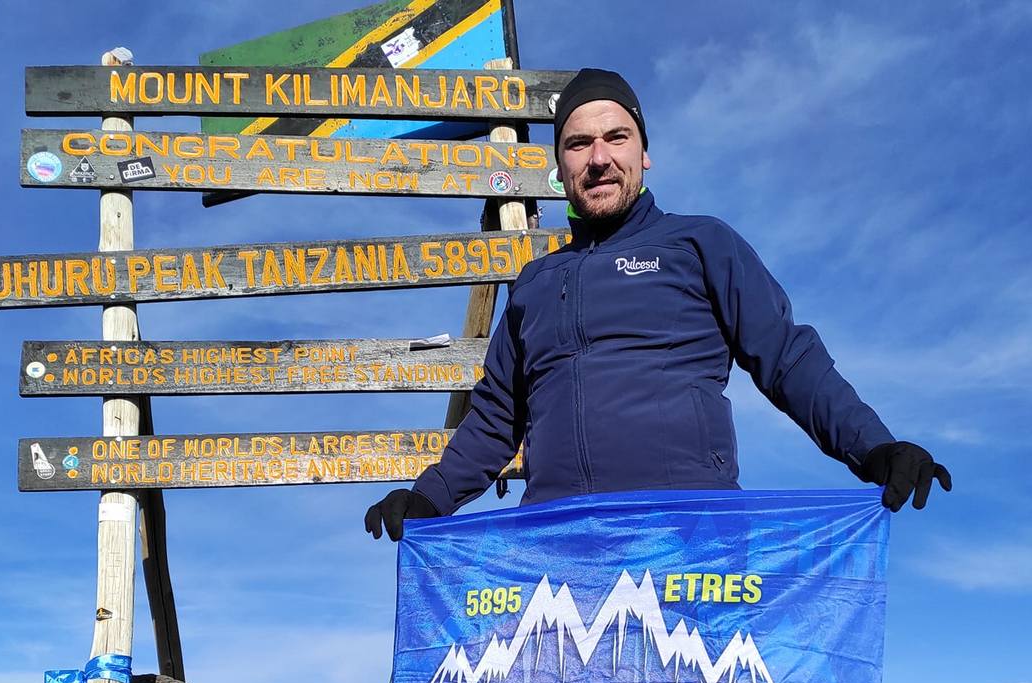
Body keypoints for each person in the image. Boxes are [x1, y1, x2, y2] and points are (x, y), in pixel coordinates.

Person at [365, 68, 951, 541]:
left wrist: (874, 446)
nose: (598, 157)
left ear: (645, 154)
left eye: (616, 137)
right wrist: (430, 497)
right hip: (559, 547)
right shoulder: (534, 285)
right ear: (559, 168)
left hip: (694, 540)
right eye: (578, 143)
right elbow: (495, 420)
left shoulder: (700, 244)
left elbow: (788, 358)